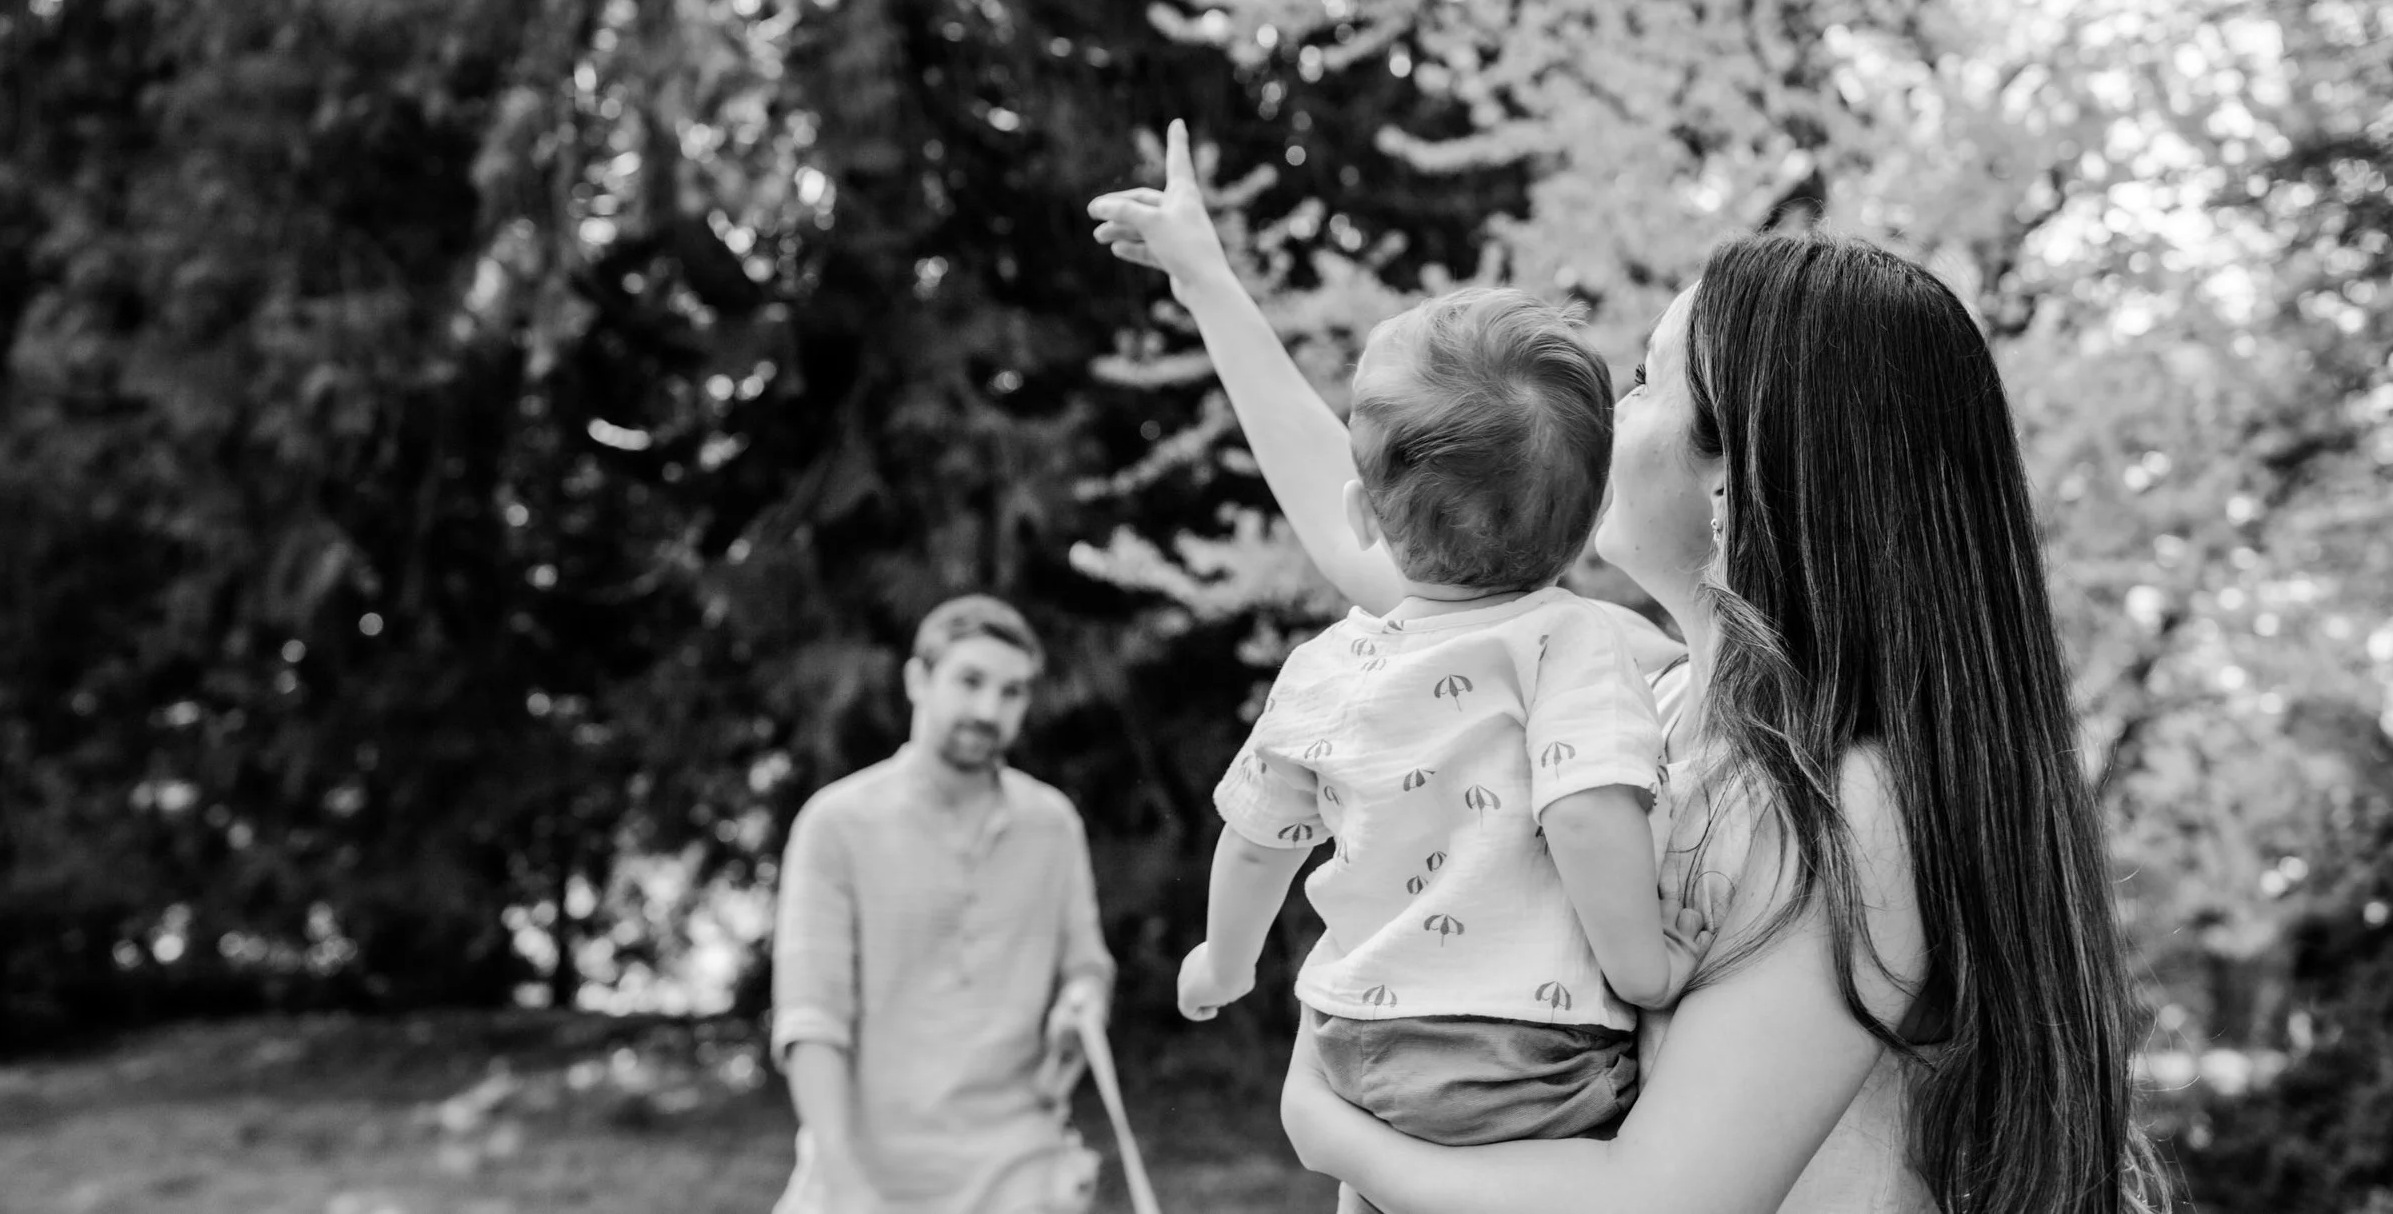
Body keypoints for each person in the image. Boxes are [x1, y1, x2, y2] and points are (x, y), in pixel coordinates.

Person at [1088, 123, 2169, 1214]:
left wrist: (1330, 1129)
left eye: (1646, 382)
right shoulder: (1634, 692)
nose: (1608, 414)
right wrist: (1208, 283)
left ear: (1730, 483)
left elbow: (1658, 1200)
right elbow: (1377, 524)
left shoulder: (1851, 806)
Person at [1177, 287, 1691, 1214]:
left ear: (1363, 516)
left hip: (1356, 1044)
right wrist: (1642, 967)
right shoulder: (1575, 641)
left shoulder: (1325, 664)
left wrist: (1223, 960)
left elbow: (1256, 842)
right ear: (1585, 526)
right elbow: (1585, 813)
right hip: (1522, 1051)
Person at [770, 595, 1116, 1214]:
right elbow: (811, 1019)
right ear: (918, 680)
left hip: (1021, 1170)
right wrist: (845, 1185)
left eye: (1011, 692)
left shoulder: (1053, 824)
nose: (988, 710)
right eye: (970, 681)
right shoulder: (836, 823)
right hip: (869, 1176)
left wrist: (1081, 1001)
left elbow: (1086, 964)